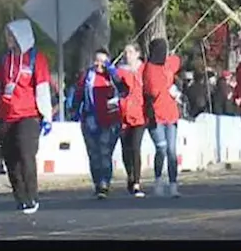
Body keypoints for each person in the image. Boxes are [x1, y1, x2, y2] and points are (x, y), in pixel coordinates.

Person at [0, 19, 53, 214]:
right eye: (7, 35)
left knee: (26, 155)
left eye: (11, 35)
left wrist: (46, 116)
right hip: (6, 116)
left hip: (28, 115)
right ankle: (20, 196)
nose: (8, 39)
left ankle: (32, 196)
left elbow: (42, 89)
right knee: (10, 159)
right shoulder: (5, 59)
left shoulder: (36, 59)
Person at [76, 48, 122, 199]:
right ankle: (97, 182)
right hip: (90, 118)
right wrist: (75, 110)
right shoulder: (88, 76)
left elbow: (122, 87)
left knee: (104, 152)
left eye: (103, 61)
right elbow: (79, 94)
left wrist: (112, 71)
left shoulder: (112, 76)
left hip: (108, 120)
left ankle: (104, 183)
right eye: (97, 60)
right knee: (93, 154)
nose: (99, 64)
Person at [142, 37, 183, 198]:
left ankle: (173, 184)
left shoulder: (168, 64)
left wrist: (171, 57)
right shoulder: (149, 68)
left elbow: (177, 60)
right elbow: (152, 91)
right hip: (155, 116)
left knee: (172, 151)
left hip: (171, 115)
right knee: (162, 148)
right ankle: (158, 180)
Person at [116, 43, 148, 198]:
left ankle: (136, 182)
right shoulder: (120, 71)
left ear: (137, 53)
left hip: (140, 115)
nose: (127, 55)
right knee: (125, 149)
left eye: (130, 52)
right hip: (123, 115)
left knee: (135, 147)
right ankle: (129, 175)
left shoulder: (144, 69)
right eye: (125, 52)